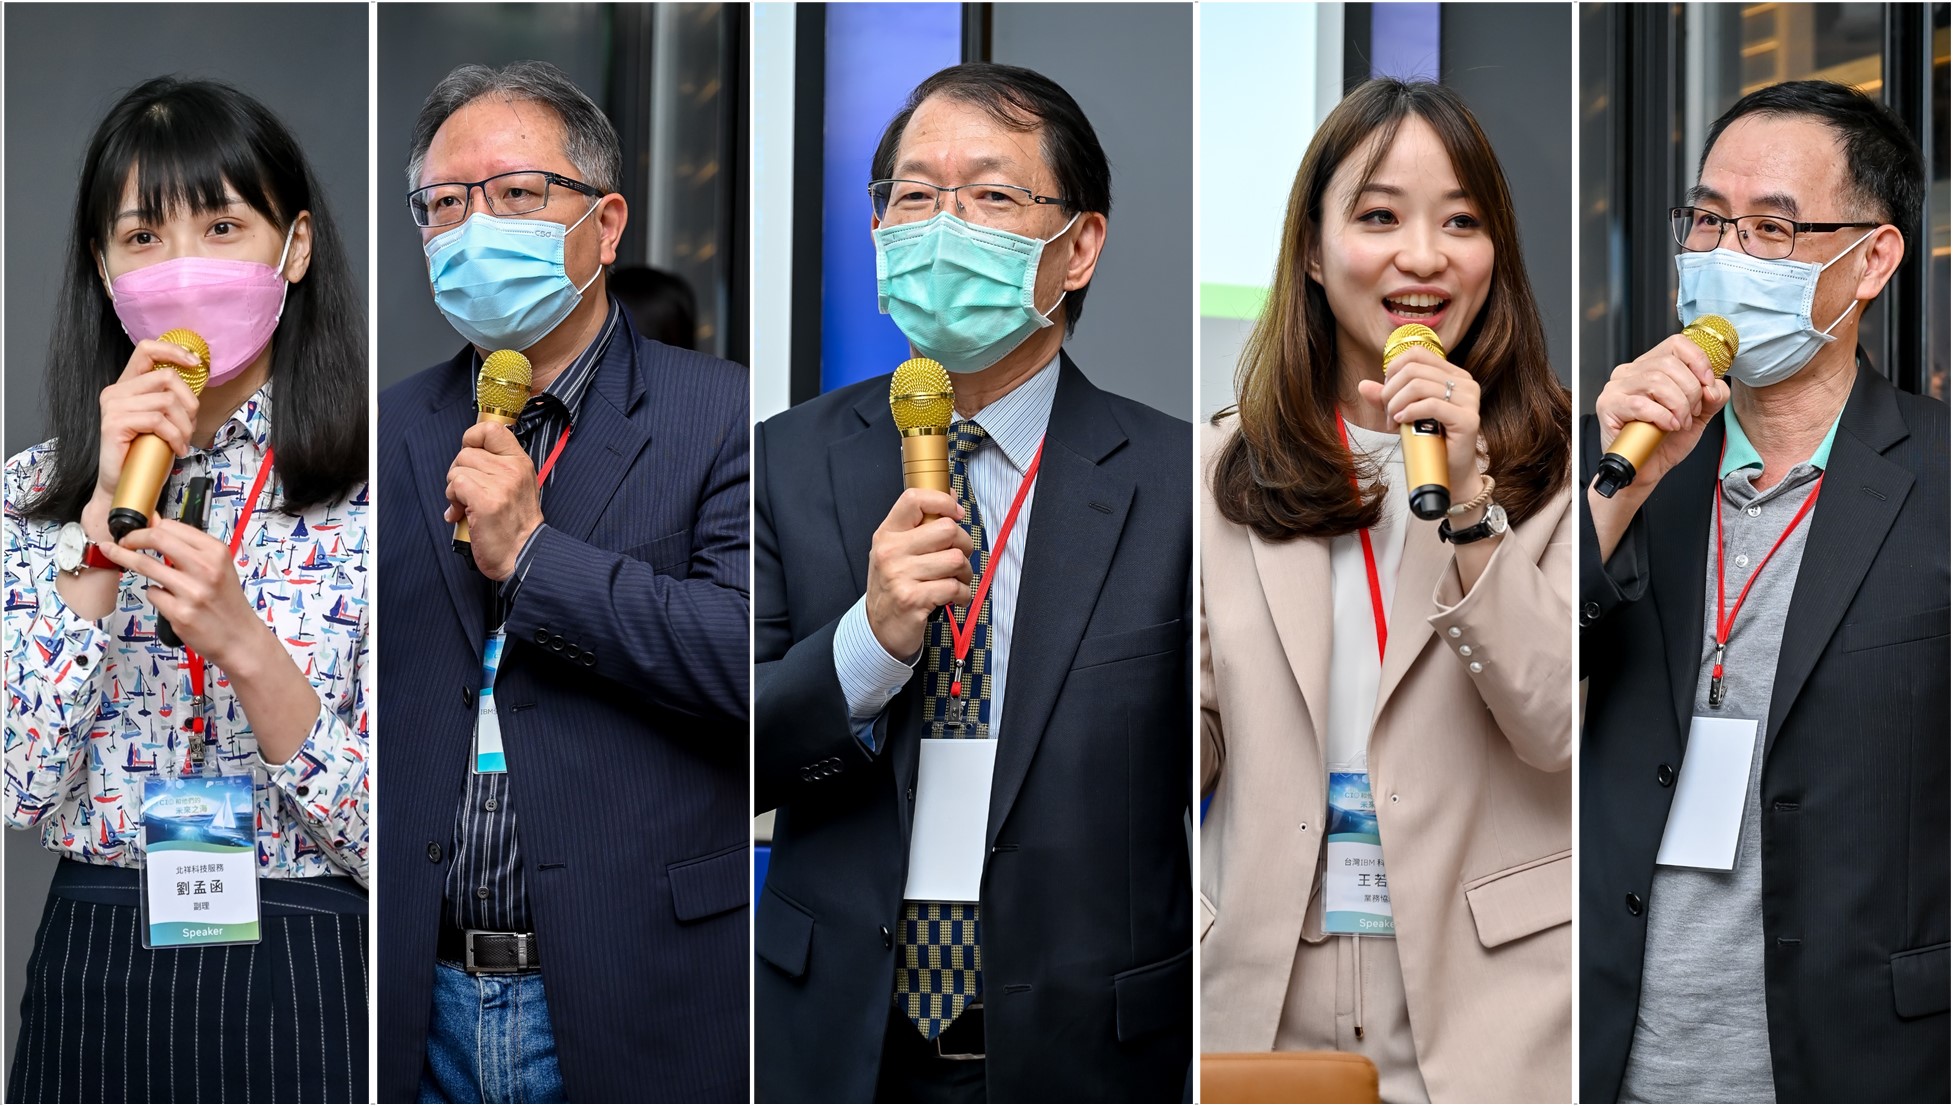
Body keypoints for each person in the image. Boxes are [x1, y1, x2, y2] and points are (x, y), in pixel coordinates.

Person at [753, 62, 1191, 1103]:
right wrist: (873, 638)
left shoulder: (1179, 481)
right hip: (839, 1040)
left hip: (1086, 1046)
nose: (942, 225)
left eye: (990, 195)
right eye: (914, 196)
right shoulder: (786, 459)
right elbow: (727, 748)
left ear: (1078, 246)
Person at [376, 62, 749, 1103]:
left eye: (516, 194)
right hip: (416, 990)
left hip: (637, 985)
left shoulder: (724, 415)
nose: (474, 224)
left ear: (608, 221)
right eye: (445, 204)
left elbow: (743, 658)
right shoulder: (385, 432)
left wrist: (534, 556)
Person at [1200, 79, 1573, 1103]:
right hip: (1263, 984)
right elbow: (1188, 733)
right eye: (1379, 216)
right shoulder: (1215, 472)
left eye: (1462, 220)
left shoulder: (1563, 470)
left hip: (1490, 997)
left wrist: (1468, 508)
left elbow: (1557, 722)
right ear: (1314, 253)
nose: (1423, 256)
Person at [2, 77, 370, 1103]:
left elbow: (407, 834)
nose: (184, 270)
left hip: (307, 958)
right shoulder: (30, 491)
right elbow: (16, 784)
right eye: (143, 238)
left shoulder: (384, 495)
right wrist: (93, 548)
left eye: (221, 225)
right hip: (100, 953)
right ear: (102, 266)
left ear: (293, 249)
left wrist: (248, 646)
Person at [1580, 79, 1948, 1103]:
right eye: (1707, 220)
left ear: (1872, 257)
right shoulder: (1609, 462)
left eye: (1774, 228)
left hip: (1866, 1060)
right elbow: (1510, 689)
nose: (1724, 256)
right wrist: (1616, 491)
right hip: (1617, 1054)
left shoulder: (1941, 482)